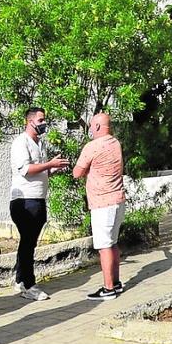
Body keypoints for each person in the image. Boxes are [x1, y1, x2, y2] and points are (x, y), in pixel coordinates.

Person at [9, 107, 70, 301]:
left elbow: (40, 170)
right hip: (25, 201)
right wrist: (49, 164)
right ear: (30, 121)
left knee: (29, 243)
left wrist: (53, 169)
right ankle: (29, 284)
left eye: (45, 119)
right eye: (41, 120)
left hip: (38, 198)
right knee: (28, 242)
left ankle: (20, 280)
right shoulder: (21, 142)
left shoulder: (39, 143)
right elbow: (25, 169)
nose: (44, 123)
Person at [72, 113, 126, 300]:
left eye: (90, 126)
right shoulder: (115, 143)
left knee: (104, 247)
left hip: (102, 204)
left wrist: (88, 169)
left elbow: (77, 172)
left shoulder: (92, 146)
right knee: (113, 243)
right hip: (118, 200)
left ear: (96, 127)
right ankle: (116, 283)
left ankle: (108, 288)